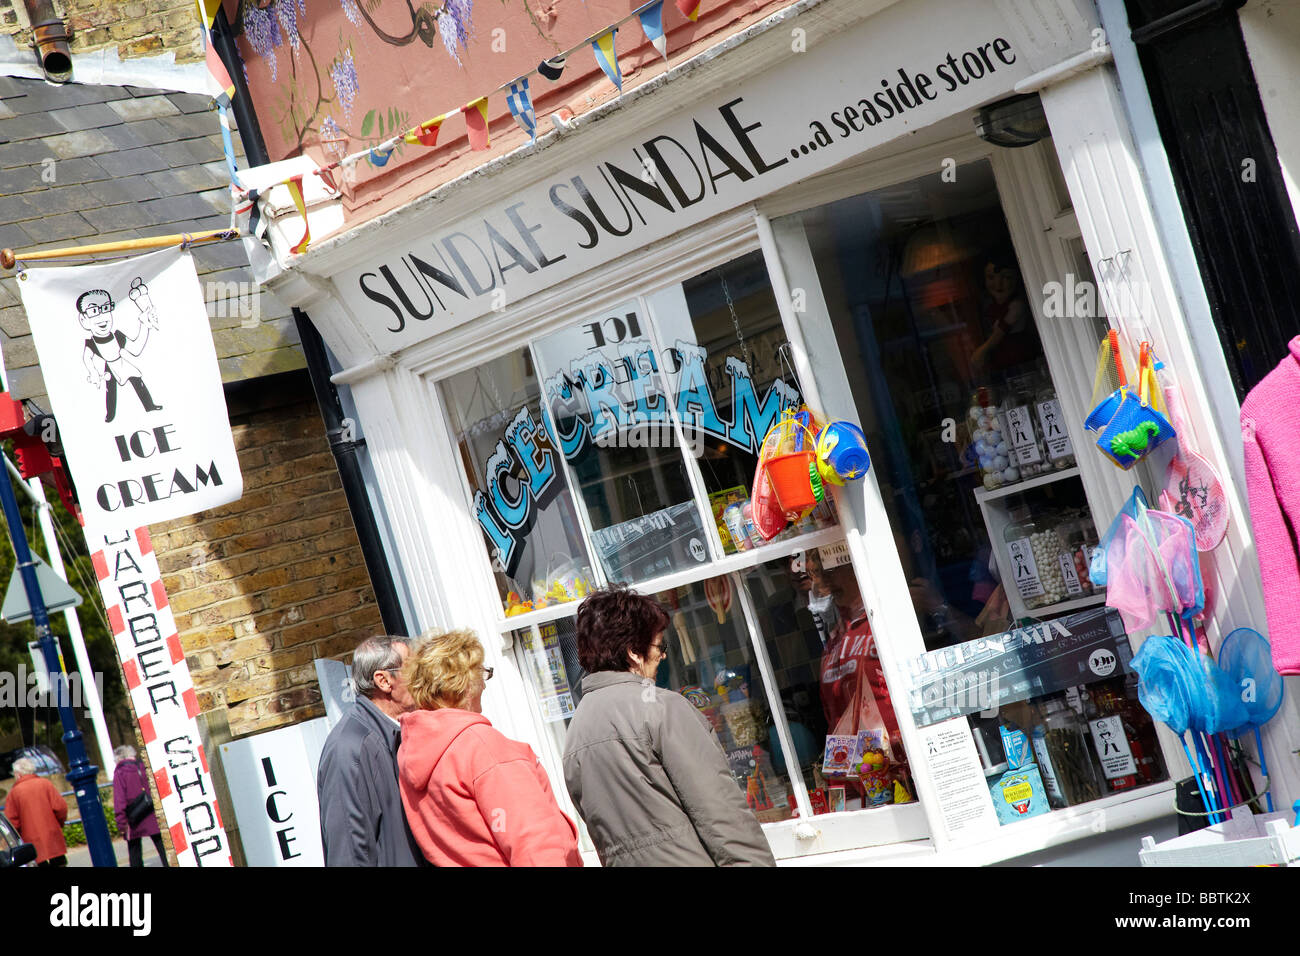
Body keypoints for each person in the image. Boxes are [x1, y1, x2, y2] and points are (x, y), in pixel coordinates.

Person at [562, 584, 776, 867]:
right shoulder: (661, 707)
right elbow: (721, 813)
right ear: (633, 653)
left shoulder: (576, 730)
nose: (663, 656)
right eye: (660, 645)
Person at [397, 629, 582, 867]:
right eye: (481, 673)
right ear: (465, 685)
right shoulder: (482, 747)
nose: (484, 684)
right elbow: (533, 842)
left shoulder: (413, 749)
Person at [316, 635, 425, 866]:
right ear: (384, 681)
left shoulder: (397, 731)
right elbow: (349, 855)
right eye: (415, 670)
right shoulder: (349, 748)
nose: (424, 678)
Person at [3, 757, 68, 866]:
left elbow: (12, 821)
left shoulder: (14, 793)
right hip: (53, 838)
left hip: (32, 843)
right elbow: (61, 807)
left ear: (18, 774)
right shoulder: (45, 784)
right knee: (59, 863)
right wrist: (59, 824)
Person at [112, 745, 168, 867]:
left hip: (133, 817)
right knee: (163, 850)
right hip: (151, 812)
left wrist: (121, 822)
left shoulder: (120, 772)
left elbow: (119, 800)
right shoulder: (143, 766)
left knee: (135, 853)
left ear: (118, 758)